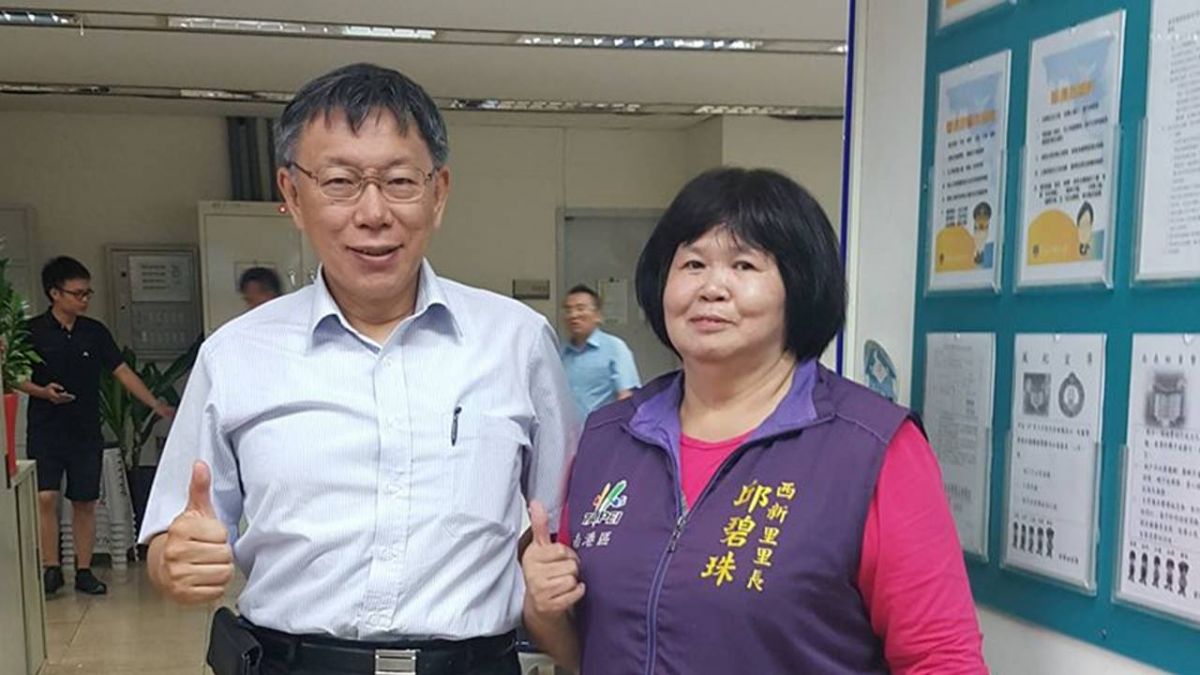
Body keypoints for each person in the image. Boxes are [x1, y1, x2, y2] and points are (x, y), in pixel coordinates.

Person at [138, 63, 577, 675]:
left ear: (438, 193)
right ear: (293, 195)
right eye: (340, 181)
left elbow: (559, 527)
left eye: (399, 181)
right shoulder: (235, 354)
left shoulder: (518, 342)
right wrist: (176, 562)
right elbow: (170, 538)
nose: (373, 213)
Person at [521, 168, 985, 673]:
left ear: (799, 286)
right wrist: (543, 610)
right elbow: (587, 652)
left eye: (744, 264)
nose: (712, 287)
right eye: (693, 263)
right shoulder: (611, 437)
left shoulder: (871, 447)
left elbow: (943, 658)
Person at [20, 256, 175, 597]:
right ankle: (50, 568)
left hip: (85, 428)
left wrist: (154, 403)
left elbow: (122, 371)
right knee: (45, 497)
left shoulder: (94, 332)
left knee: (85, 500)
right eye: (77, 293)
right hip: (45, 429)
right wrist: (42, 392)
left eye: (87, 293)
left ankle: (84, 569)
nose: (84, 299)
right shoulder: (31, 331)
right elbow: (14, 375)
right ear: (54, 293)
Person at [559, 284, 641, 417]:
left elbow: (626, 396)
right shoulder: (560, 352)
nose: (573, 315)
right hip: (565, 429)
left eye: (580, 308)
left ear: (598, 315)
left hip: (602, 428)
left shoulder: (615, 348)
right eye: (568, 310)